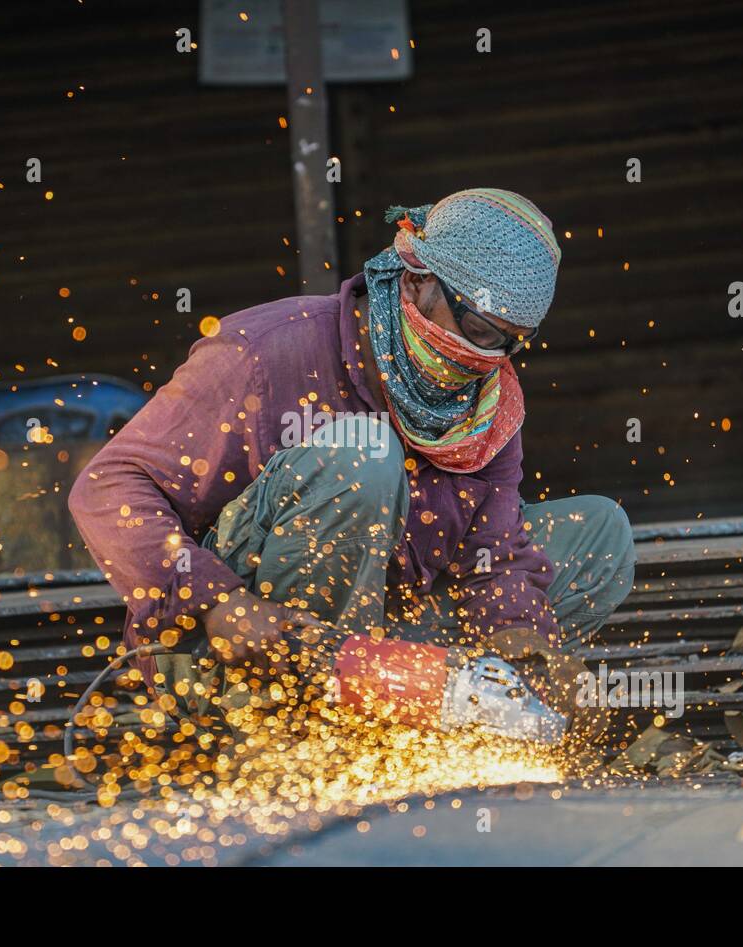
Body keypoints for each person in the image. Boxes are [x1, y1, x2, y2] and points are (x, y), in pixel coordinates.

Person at [69, 188, 635, 723]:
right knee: (365, 452)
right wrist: (218, 601)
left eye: (510, 342)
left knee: (599, 532)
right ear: (419, 279)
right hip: (235, 649)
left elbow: (494, 552)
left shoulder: (485, 404)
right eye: (481, 330)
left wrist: (525, 642)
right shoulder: (267, 352)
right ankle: (294, 732)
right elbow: (108, 486)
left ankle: (426, 707)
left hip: (381, 643)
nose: (489, 357)